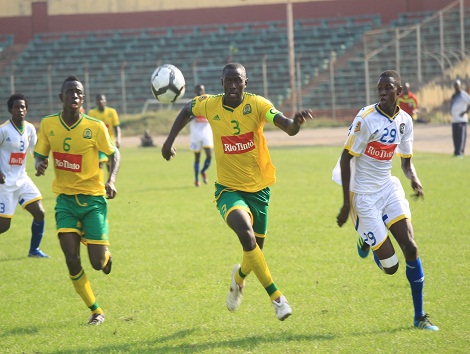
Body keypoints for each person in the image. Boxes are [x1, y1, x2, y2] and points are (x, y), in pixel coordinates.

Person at [162, 62, 313, 321]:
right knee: (245, 234)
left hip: (259, 190)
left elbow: (286, 125)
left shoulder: (257, 104)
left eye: (237, 81)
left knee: (254, 253)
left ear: (246, 83)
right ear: (222, 84)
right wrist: (169, 140)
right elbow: (186, 109)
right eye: (228, 81)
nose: (232, 85)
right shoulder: (210, 104)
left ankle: (238, 278)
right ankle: (278, 299)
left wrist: (296, 123)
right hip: (229, 190)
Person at [334, 70, 438, 331]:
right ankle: (365, 237)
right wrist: (347, 204)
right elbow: (346, 158)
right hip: (363, 196)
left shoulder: (405, 121)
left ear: (398, 92)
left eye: (387, 88)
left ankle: (420, 317)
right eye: (379, 88)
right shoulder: (366, 119)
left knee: (411, 249)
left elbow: (405, 162)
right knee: (391, 267)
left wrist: (414, 179)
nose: (382, 92)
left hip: (388, 188)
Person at [34, 76, 120, 326]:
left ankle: (105, 257)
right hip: (65, 201)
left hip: (93, 201)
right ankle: (96, 310)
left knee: (96, 263)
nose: (75, 96)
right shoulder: (48, 124)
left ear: (83, 99)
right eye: (70, 92)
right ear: (61, 97)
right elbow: (39, 154)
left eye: (79, 93)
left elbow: (114, 154)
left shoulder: (95, 126)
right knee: (71, 257)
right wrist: (39, 163)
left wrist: (111, 180)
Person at [0, 93, 49, 258]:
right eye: (16, 107)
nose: (20, 110)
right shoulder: (3, 130)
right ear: (10, 110)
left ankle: (34, 250)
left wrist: (39, 165)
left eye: (22, 107)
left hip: (22, 180)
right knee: (4, 226)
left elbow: (35, 153)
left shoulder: (29, 129)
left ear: (26, 110)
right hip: (4, 184)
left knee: (40, 213)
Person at [87, 94, 121, 180]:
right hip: (98, 143)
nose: (100, 102)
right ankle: (100, 184)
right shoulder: (92, 113)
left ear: (105, 101)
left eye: (102, 100)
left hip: (110, 142)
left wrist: (118, 139)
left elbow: (116, 127)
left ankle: (110, 182)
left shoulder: (112, 112)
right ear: (96, 102)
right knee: (100, 163)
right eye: (99, 100)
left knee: (110, 165)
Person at [189, 84, 213, 186]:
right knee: (197, 158)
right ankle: (196, 179)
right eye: (198, 91)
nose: (200, 92)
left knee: (209, 156)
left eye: (202, 90)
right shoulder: (191, 104)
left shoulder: (208, 104)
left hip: (206, 134)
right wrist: (194, 114)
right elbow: (186, 117)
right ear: (195, 92)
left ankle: (203, 171)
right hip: (195, 135)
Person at [450, 79, 470, 157]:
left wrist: (465, 112)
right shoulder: (454, 95)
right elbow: (451, 105)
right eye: (455, 85)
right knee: (455, 137)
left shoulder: (463, 95)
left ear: (460, 85)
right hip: (454, 120)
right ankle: (456, 151)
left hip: (461, 120)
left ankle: (460, 152)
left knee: (461, 137)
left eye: (457, 85)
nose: (456, 86)